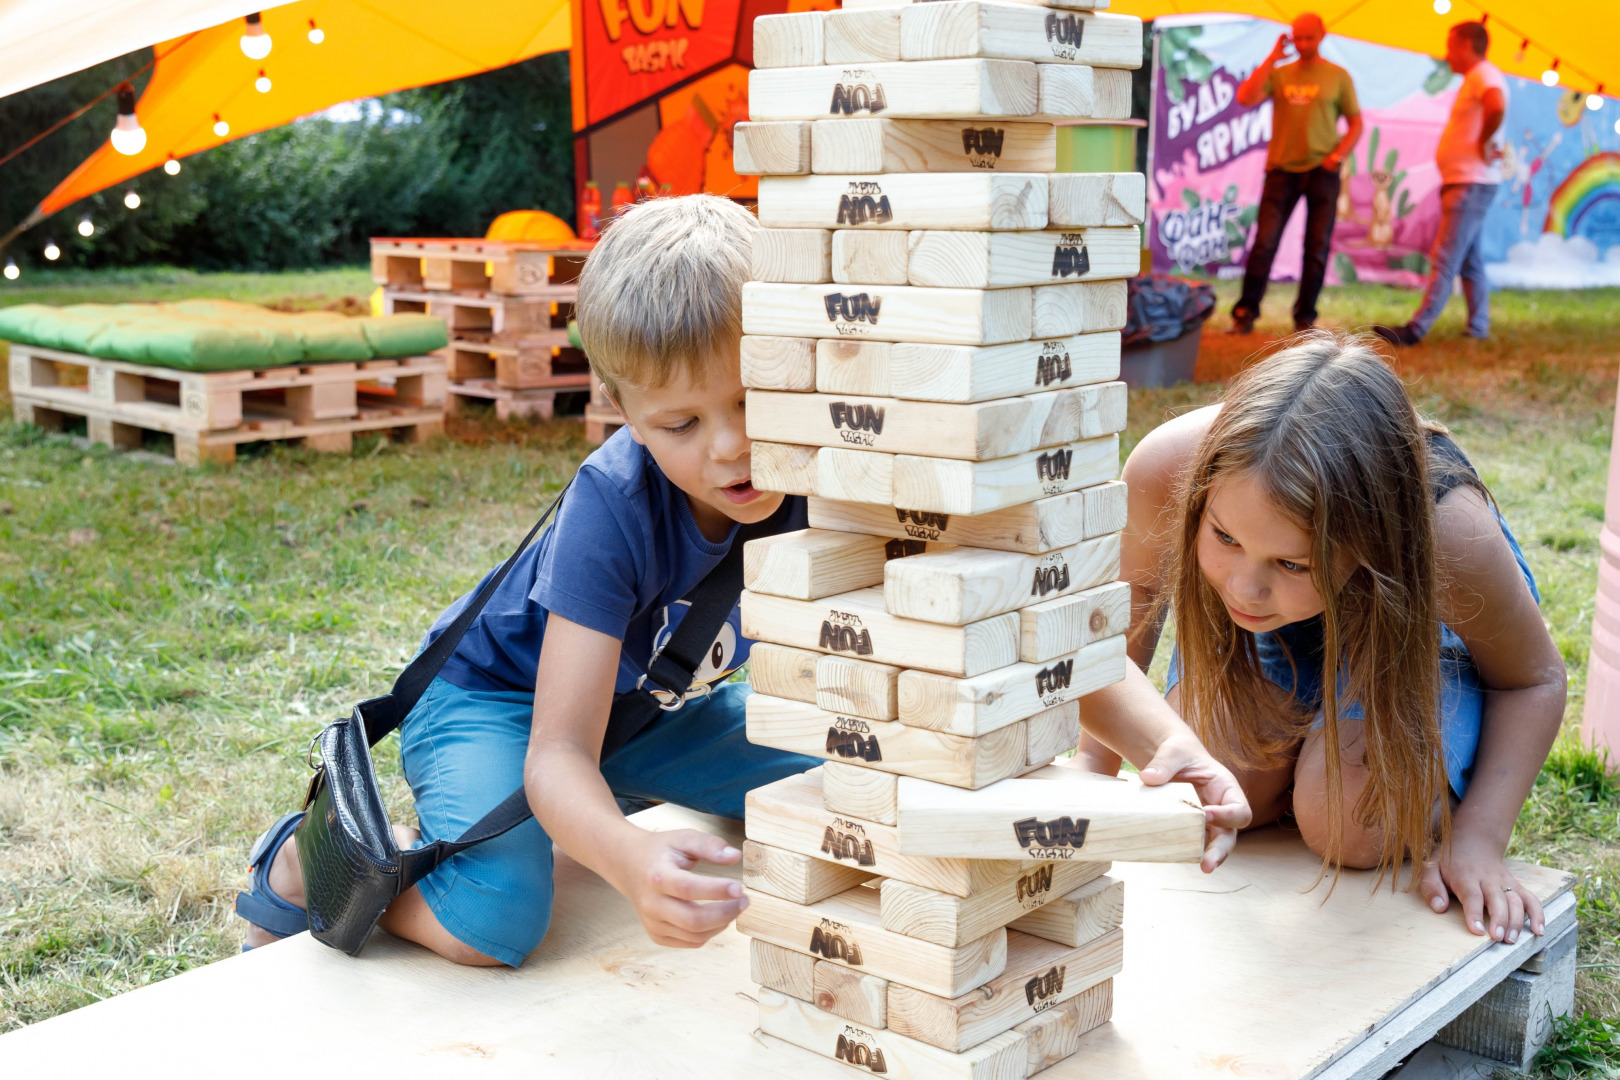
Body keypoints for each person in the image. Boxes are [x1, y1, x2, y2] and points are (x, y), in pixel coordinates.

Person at [232, 195, 1252, 966]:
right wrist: (628, 863)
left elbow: (1021, 625)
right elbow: (555, 758)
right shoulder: (612, 508)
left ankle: (627, 813)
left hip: (661, 712)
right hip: (503, 709)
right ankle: (317, 864)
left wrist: (1170, 745)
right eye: (680, 424)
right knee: (499, 920)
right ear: (622, 413)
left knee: (879, 793)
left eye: (758, 397)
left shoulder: (842, 465)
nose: (734, 449)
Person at [1078, 333, 1565, 945]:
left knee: (1348, 824)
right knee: (1202, 794)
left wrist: (1480, 836)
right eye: (1225, 537)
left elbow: (1533, 678)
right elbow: (1127, 611)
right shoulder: (1165, 467)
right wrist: (1090, 776)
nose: (1244, 590)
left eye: (1292, 563)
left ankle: (1331, 764)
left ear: (1371, 540)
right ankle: (1298, 751)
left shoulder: (1448, 535)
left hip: (1399, 636)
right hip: (1283, 638)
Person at [1229, 15, 1363, 335]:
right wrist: (1272, 58)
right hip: (1281, 170)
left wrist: (1336, 157)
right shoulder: (1280, 73)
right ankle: (1245, 313)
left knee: (1316, 247)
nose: (1303, 44)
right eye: (1298, 38)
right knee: (1264, 243)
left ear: (1321, 36)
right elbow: (1246, 97)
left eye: (1309, 38)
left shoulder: (1337, 76)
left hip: (1322, 171)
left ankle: (1305, 319)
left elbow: (1356, 123)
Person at [1375, 22, 1508, 346]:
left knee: (1446, 256)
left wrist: (1484, 141)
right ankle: (1478, 327)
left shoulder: (1483, 75)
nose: (1446, 54)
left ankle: (1416, 329)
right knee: (1468, 261)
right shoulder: (1478, 77)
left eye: (1450, 45)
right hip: (1468, 182)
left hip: (1470, 182)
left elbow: (1496, 105)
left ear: (1465, 45)